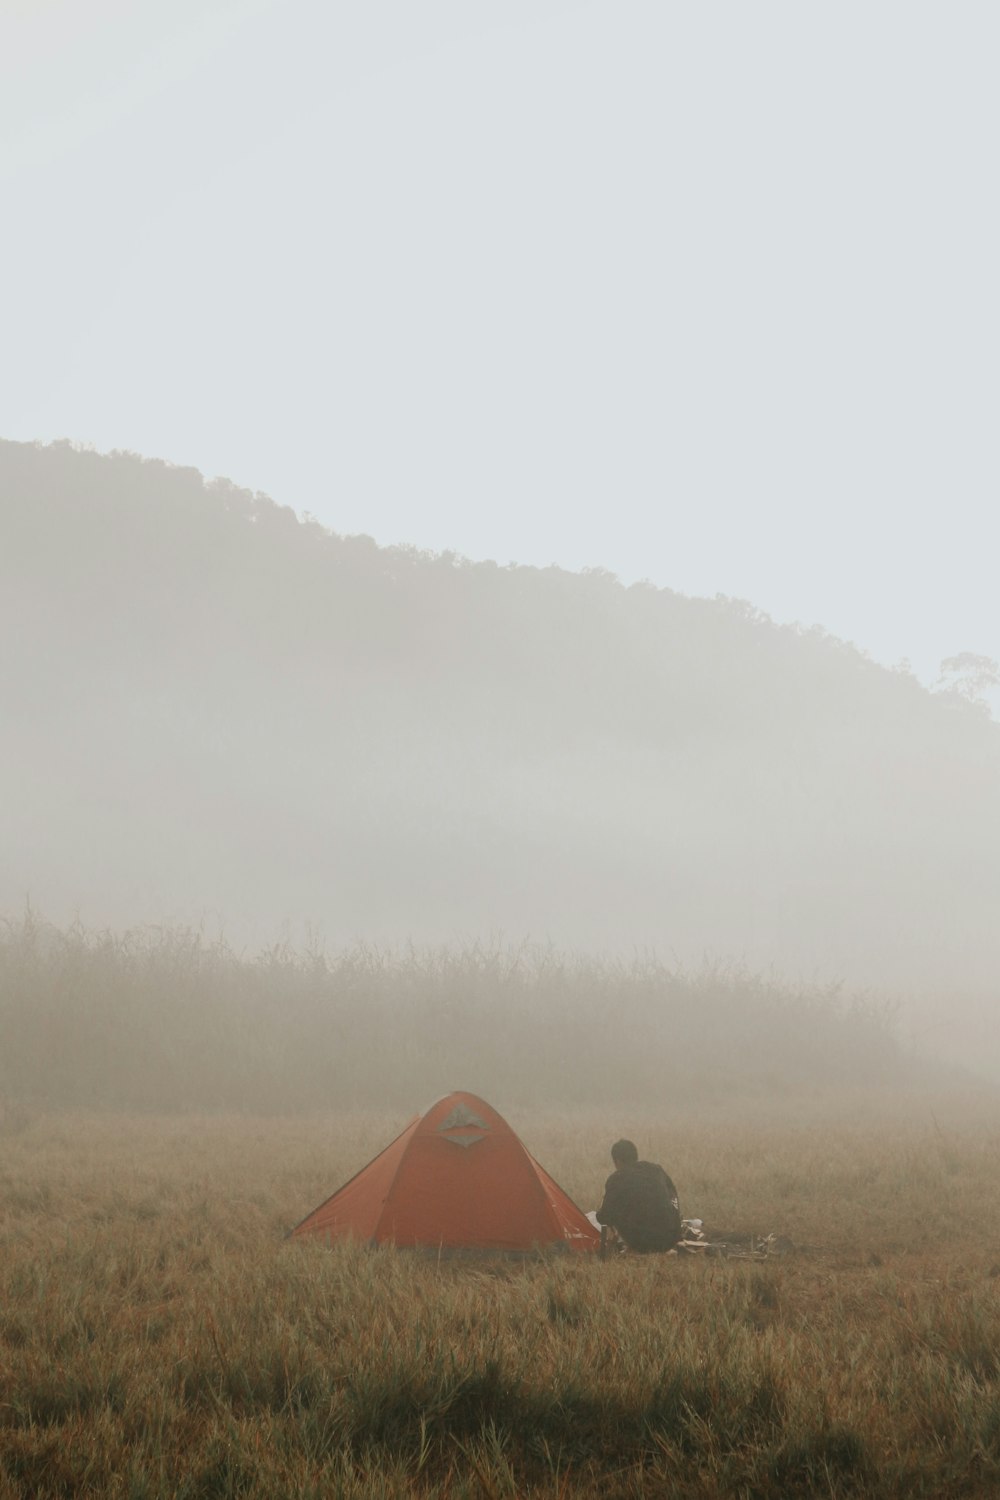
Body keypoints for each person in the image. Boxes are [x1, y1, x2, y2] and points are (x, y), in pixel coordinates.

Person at [596, 1138, 682, 1253]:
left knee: (617, 1210)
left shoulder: (617, 1178)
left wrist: (598, 1214)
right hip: (671, 1238)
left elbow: (605, 1217)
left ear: (617, 1161)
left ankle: (632, 1248)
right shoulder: (657, 1170)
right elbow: (673, 1197)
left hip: (642, 1243)